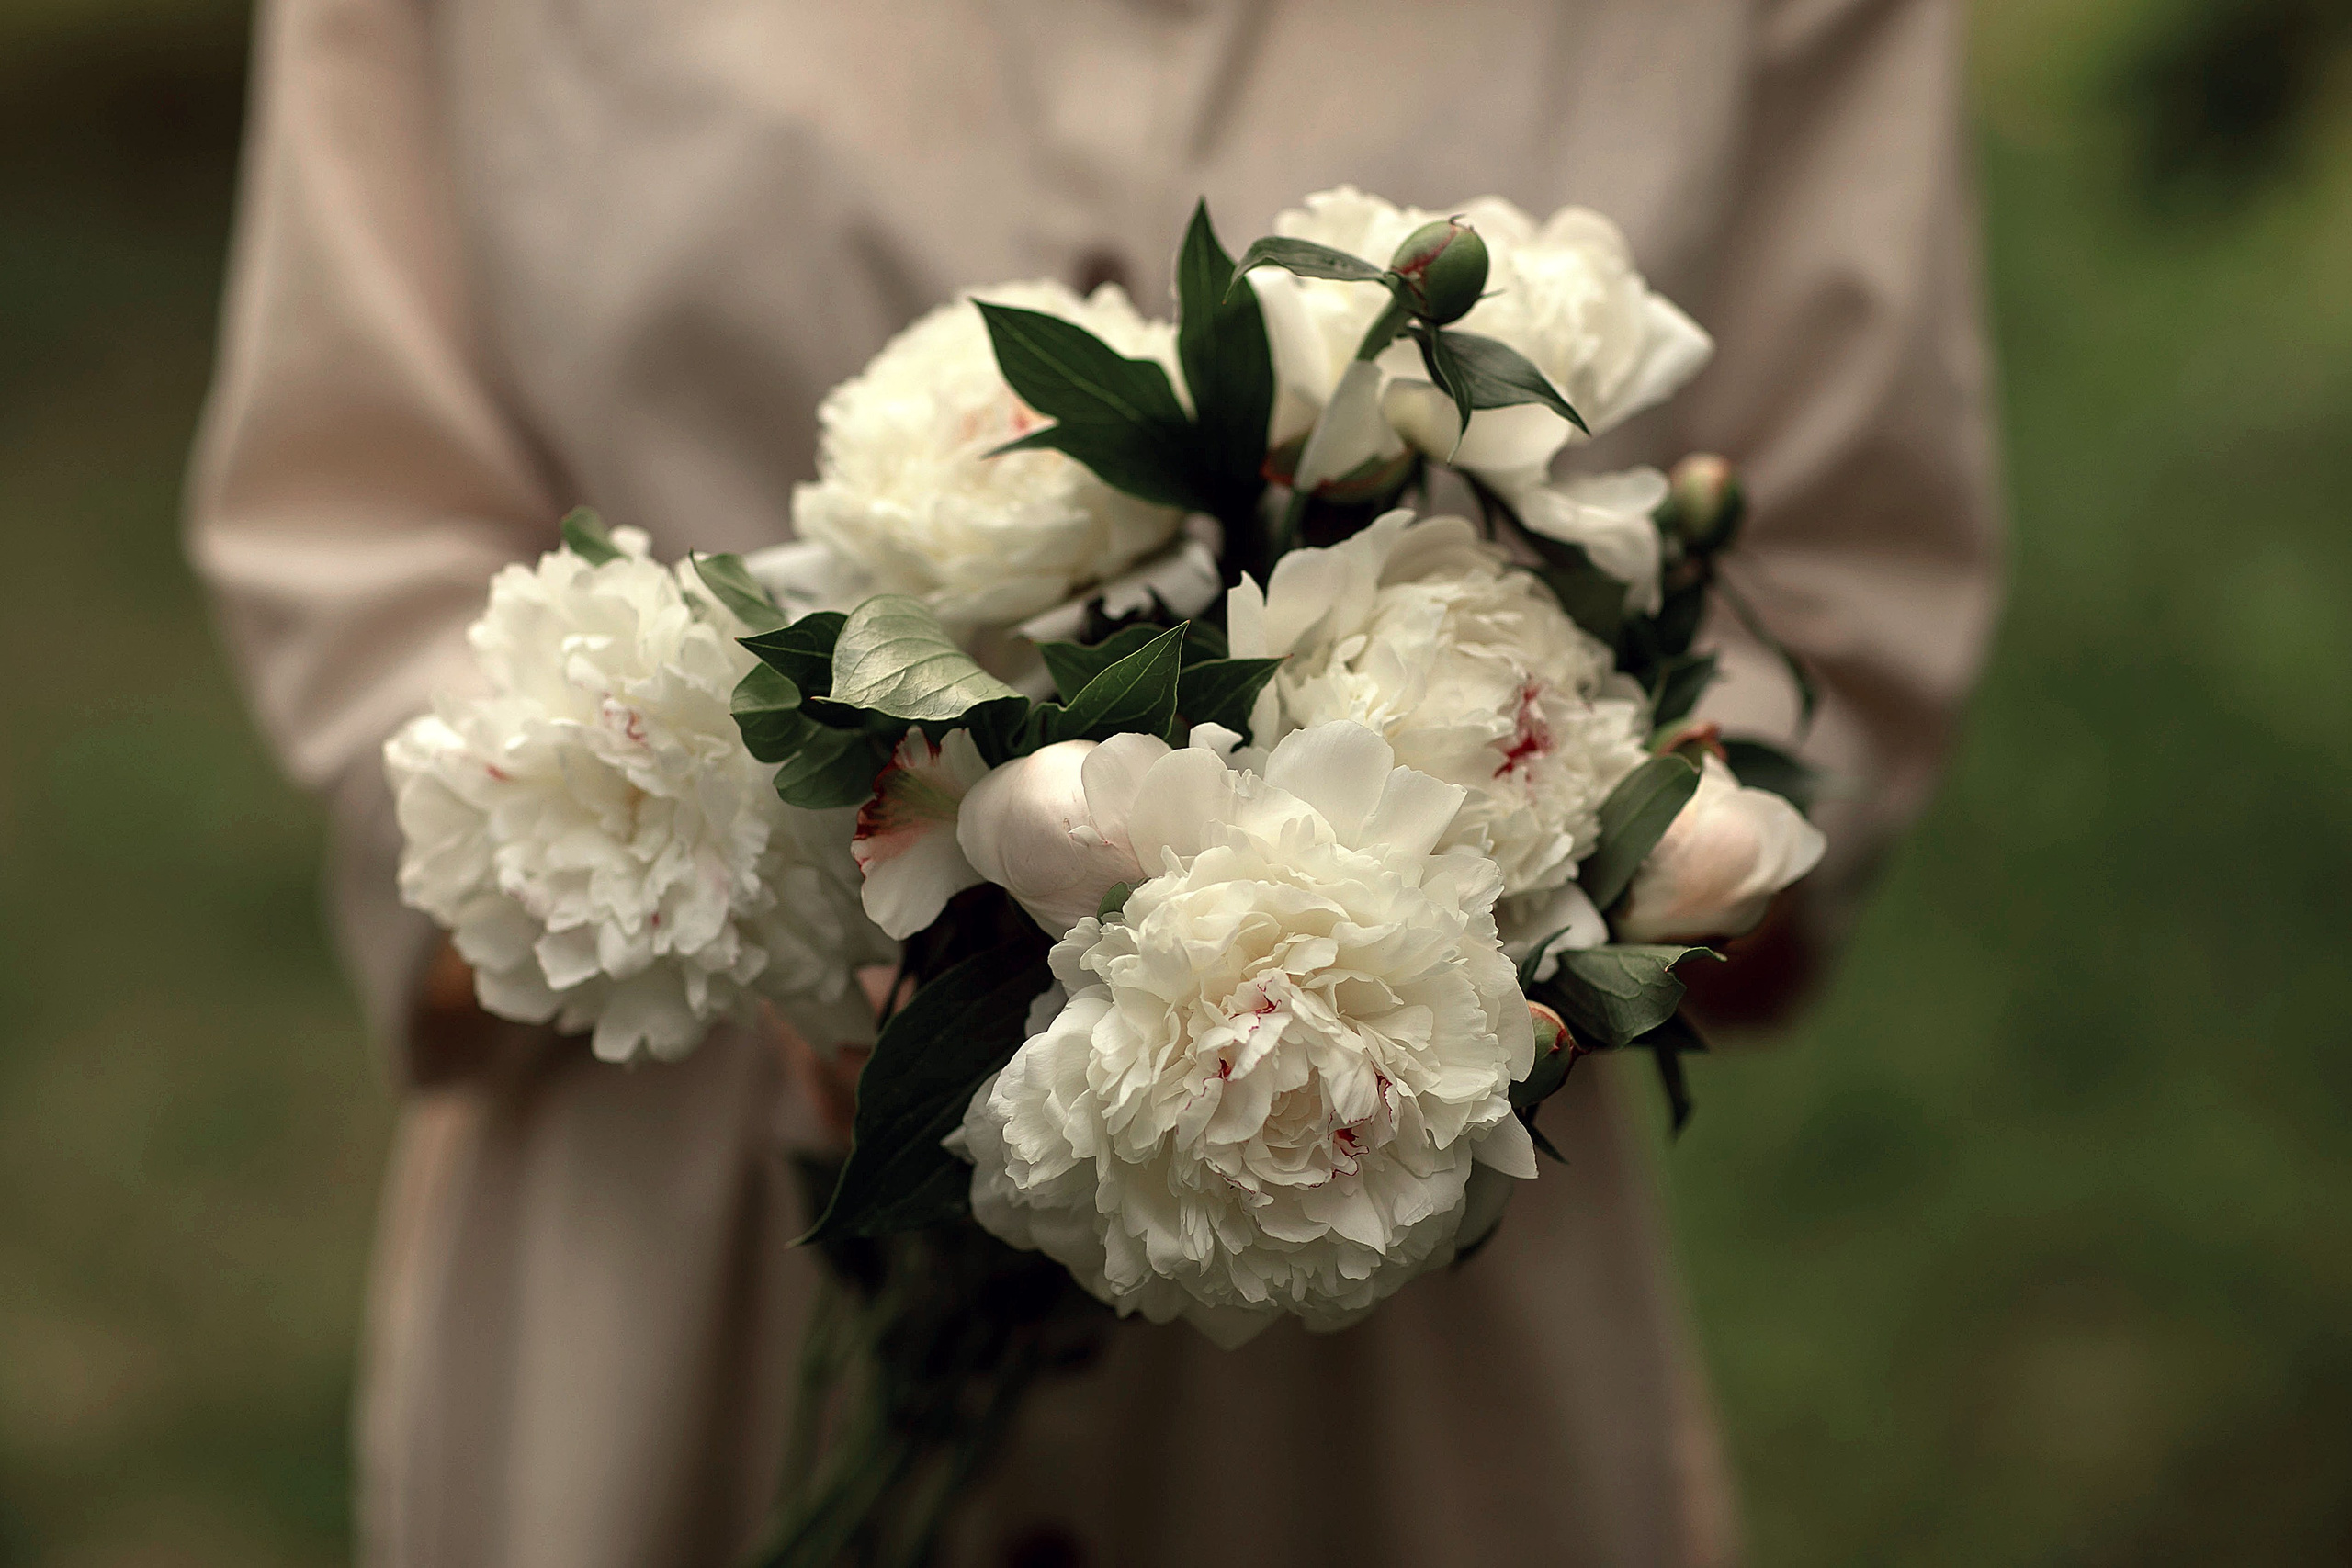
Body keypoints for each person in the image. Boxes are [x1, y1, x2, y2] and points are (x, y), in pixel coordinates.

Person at [187, 1, 2001, 1562]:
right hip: (676, 1243)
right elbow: (364, 519)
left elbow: (1830, 604)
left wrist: (1421, 945)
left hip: (1381, 1303)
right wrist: (776, 893)